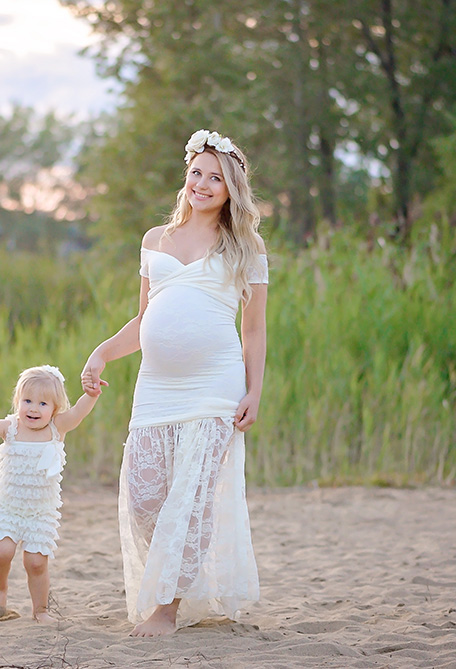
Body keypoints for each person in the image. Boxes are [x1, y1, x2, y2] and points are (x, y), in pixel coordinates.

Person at [81, 129, 267, 637]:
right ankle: (179, 582)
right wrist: (101, 353)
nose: (203, 184)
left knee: (190, 498)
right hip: (155, 390)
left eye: (216, 178)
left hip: (215, 388)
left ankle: (166, 608)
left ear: (232, 190)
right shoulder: (153, 241)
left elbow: (253, 330)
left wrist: (254, 391)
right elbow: (142, 321)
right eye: (197, 174)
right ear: (185, 177)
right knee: (145, 500)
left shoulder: (245, 247)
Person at [0, 365, 102, 624]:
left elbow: (79, 413)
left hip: (41, 512)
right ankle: (0, 590)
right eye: (27, 401)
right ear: (18, 401)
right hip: (8, 506)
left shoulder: (57, 428)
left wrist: (91, 394)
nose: (33, 408)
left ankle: (40, 610)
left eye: (42, 403)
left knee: (37, 563)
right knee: (1, 550)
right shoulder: (10, 427)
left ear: (55, 408)